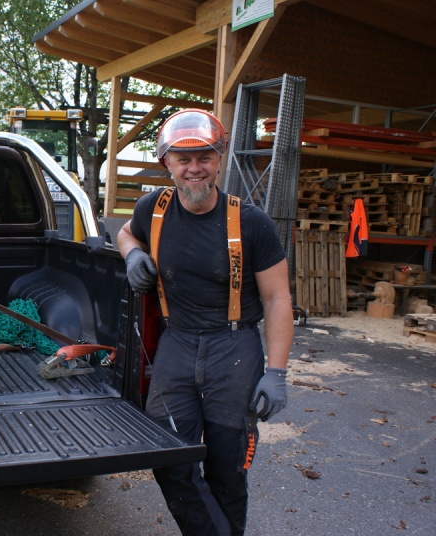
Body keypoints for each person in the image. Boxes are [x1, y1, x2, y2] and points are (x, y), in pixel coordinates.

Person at [117, 109, 293, 536]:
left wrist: (277, 372)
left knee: (227, 470)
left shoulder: (250, 222)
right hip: (177, 344)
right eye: (183, 159)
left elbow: (277, 298)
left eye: (204, 158)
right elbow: (126, 232)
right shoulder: (152, 209)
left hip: (233, 350)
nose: (194, 168)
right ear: (167, 162)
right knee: (168, 458)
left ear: (219, 159)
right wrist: (133, 255)